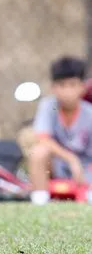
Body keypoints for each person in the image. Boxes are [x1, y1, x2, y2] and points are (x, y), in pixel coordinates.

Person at [28, 56, 92, 205]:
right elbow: (43, 139)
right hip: (58, 165)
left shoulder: (89, 113)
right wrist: (71, 160)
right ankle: (40, 200)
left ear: (83, 87)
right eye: (62, 85)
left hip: (85, 168)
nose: (67, 91)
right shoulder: (48, 106)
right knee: (38, 151)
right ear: (53, 87)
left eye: (72, 85)